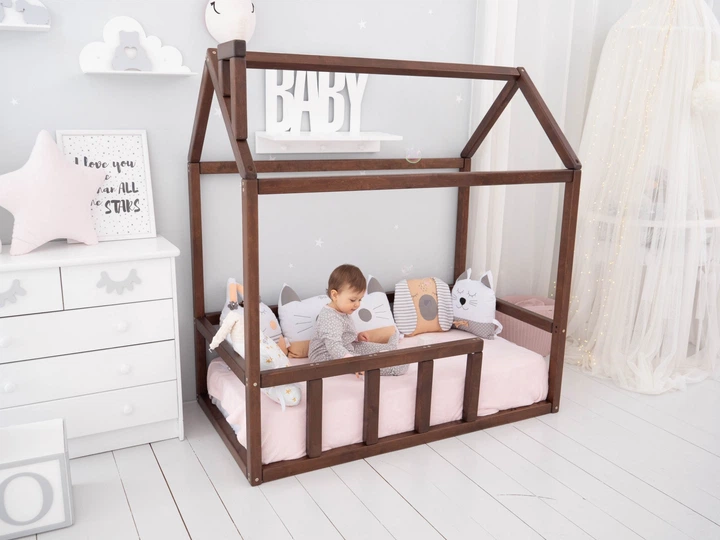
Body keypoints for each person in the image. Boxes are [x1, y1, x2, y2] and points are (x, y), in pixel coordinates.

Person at [309, 264, 408, 376]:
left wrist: (356, 337)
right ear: (335, 295)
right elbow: (333, 346)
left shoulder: (342, 309)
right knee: (391, 365)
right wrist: (355, 363)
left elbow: (342, 332)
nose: (357, 304)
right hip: (327, 359)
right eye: (353, 300)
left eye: (360, 299)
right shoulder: (329, 317)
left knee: (367, 347)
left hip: (346, 347)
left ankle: (390, 348)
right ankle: (394, 367)